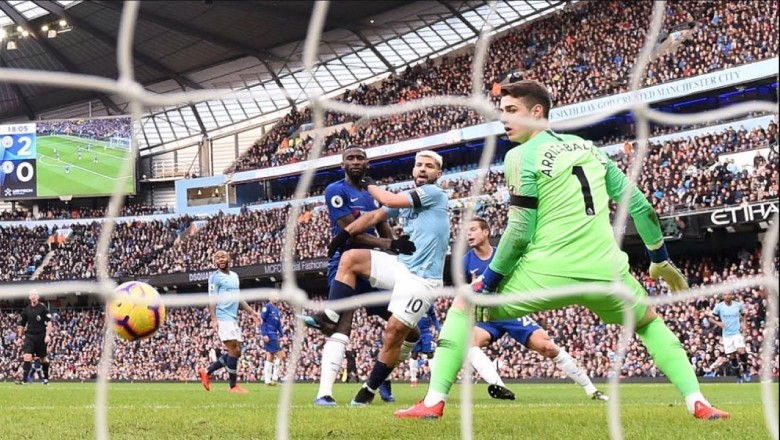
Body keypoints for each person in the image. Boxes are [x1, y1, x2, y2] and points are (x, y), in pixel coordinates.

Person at [396, 80, 728, 420]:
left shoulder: (520, 155)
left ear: (537, 112)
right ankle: (698, 402)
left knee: (464, 303)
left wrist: (491, 281)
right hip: (606, 271)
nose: (504, 119)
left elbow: (520, 231)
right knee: (648, 324)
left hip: (547, 270)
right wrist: (659, 259)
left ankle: (433, 402)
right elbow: (641, 207)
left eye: (512, 111)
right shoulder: (589, 148)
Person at [327, 149, 450, 406]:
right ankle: (329, 315)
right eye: (419, 165)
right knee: (350, 259)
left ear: (438, 173)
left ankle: (369, 389)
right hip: (402, 266)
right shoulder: (407, 198)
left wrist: (369, 184)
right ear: (413, 170)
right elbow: (374, 216)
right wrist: (343, 236)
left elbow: (388, 202)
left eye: (429, 166)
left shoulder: (434, 194)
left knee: (394, 331)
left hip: (423, 280)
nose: (423, 169)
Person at [304, 146, 415, 406]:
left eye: (359, 158)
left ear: (368, 163)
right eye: (349, 158)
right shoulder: (336, 190)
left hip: (376, 266)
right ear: (342, 164)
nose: (355, 162)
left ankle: (381, 377)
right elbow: (350, 231)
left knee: (410, 331)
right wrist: (388, 245)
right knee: (341, 326)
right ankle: (324, 393)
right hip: (346, 264)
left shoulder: (374, 193)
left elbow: (384, 224)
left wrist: (396, 248)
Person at [463, 217, 608, 401]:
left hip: (511, 311)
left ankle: (591, 390)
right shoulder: (464, 262)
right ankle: (499, 387)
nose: (469, 234)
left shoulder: (503, 255)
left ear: (486, 232)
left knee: (547, 347)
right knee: (467, 342)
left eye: (473, 229)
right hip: (488, 317)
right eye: (467, 231)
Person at [198, 250, 262, 394]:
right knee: (234, 349)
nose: (220, 259)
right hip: (222, 317)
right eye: (217, 258)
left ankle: (207, 371)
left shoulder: (234, 276)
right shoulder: (214, 278)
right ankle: (233, 386)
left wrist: (252, 312)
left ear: (229, 258)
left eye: (223, 257)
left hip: (233, 318)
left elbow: (238, 298)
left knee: (237, 351)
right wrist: (213, 319)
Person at [709, 292, 749, 382]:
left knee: (741, 351)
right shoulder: (719, 306)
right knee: (732, 356)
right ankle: (738, 376)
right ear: (723, 296)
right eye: (725, 294)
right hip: (727, 335)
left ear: (732, 296)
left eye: (729, 294)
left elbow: (743, 315)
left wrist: (744, 324)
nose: (727, 296)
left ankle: (746, 370)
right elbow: (710, 318)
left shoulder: (738, 305)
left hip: (737, 333)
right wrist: (718, 323)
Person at [16, 292, 53, 385]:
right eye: (31, 295)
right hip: (30, 336)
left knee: (43, 358)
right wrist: (20, 337)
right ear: (29, 297)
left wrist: (48, 335)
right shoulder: (26, 310)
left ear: (38, 297)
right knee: (27, 356)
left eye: (35, 295)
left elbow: (49, 323)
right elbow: (22, 325)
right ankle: (24, 380)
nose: (33, 296)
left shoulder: (43, 308)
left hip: (41, 336)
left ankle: (46, 379)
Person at [409, 305, 440, 387]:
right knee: (414, 354)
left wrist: (438, 328)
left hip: (426, 332)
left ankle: (434, 379)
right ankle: (413, 379)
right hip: (415, 331)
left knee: (430, 354)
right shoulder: (414, 302)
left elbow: (433, 317)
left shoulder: (429, 304)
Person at [260, 295, 285, 386]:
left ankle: (267, 381)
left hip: (274, 334)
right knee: (282, 355)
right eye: (273, 296)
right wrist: (264, 334)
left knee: (270, 356)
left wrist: (282, 335)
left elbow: (278, 324)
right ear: (270, 298)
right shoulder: (267, 307)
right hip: (270, 335)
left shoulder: (277, 310)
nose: (276, 298)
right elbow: (261, 321)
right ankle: (274, 379)